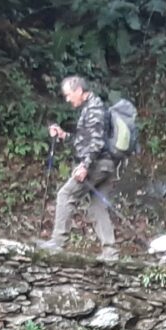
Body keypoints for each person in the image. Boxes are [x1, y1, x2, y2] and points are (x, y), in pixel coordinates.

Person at [46, 75, 118, 259]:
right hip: (106, 164)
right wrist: (63, 135)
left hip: (97, 163)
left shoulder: (94, 109)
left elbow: (96, 143)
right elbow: (84, 141)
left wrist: (85, 165)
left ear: (79, 91)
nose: (68, 99)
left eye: (69, 95)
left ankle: (57, 241)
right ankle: (110, 251)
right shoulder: (92, 107)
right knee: (96, 206)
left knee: (66, 194)